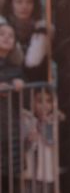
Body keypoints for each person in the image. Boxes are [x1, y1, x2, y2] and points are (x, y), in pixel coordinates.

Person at [1, 0, 50, 82]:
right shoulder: (3, 27)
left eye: (29, 2)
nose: (24, 6)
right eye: (19, 2)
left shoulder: (41, 29)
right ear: (11, 4)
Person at [22, 89, 64, 193]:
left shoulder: (52, 120)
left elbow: (50, 141)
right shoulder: (27, 120)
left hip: (47, 172)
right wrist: (29, 139)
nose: (45, 105)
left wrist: (44, 125)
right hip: (31, 174)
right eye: (40, 101)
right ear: (32, 103)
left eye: (49, 101)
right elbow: (24, 146)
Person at [0, 18, 25, 188]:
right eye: (1, 34)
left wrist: (20, 82)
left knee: (12, 173)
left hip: (10, 126)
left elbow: (24, 81)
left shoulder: (16, 67)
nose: (7, 37)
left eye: (11, 35)